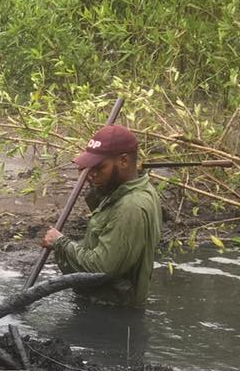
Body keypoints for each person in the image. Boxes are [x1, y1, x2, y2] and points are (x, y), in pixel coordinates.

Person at [41, 124, 163, 306]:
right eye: (89, 168)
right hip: (107, 305)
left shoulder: (130, 207)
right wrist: (94, 174)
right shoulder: (132, 190)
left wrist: (60, 243)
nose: (91, 174)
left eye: (98, 167)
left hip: (110, 315)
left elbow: (100, 269)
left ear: (123, 161)